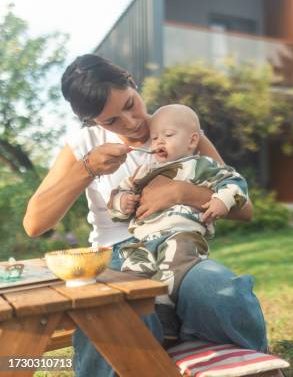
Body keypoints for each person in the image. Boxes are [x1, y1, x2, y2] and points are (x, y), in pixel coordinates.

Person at [23, 54, 267, 377]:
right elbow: (34, 223)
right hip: (117, 260)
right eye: (111, 121)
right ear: (94, 123)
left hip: (179, 249)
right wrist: (88, 169)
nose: (131, 123)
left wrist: (183, 193)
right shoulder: (86, 145)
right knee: (119, 318)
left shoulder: (176, 127)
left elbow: (244, 208)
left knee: (218, 291)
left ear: (131, 83)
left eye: (129, 104)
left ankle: (253, 368)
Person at [108, 104, 249, 341]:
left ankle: (167, 319)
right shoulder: (144, 171)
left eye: (168, 135)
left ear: (192, 140)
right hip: (141, 240)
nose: (159, 142)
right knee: (134, 274)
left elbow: (236, 184)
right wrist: (123, 202)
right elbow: (117, 196)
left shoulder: (202, 165)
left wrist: (222, 201)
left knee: (173, 267)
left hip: (182, 235)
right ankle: (146, 324)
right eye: (155, 138)